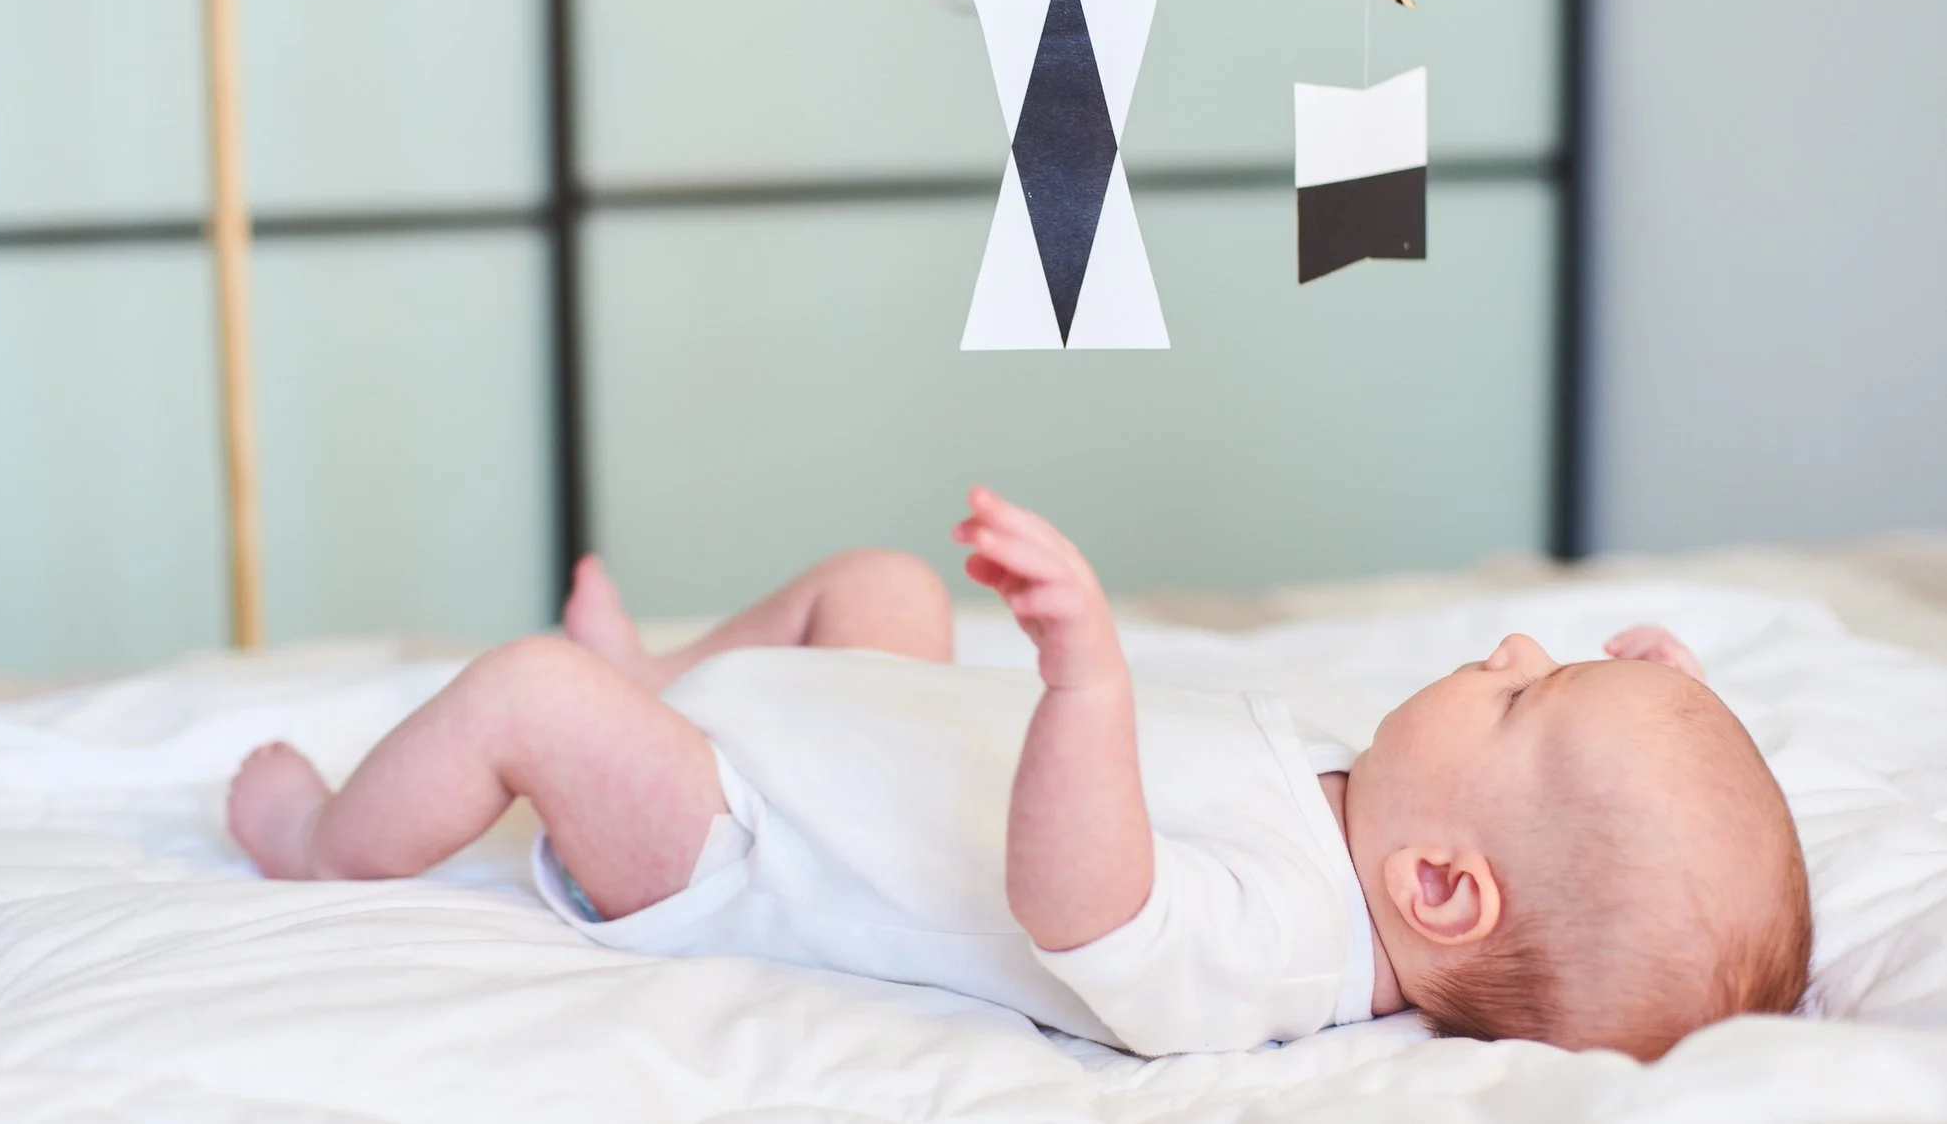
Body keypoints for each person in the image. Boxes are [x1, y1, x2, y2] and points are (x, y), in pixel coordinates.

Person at [228, 488, 1811, 1060]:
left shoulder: (1273, 948)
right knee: (883, 593)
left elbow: (1085, 907)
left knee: (529, 694)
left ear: (1443, 890)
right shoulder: (1382, 821)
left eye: (1524, 702)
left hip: (757, 838)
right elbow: (1602, 832)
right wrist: (1644, 696)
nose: (1514, 650)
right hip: (870, 739)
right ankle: (665, 681)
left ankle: (326, 838)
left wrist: (1086, 679)